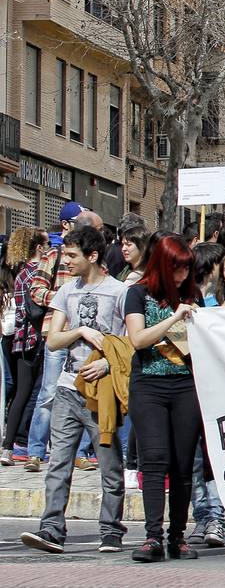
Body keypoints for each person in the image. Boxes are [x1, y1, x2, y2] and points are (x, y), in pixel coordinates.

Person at [20, 226, 129, 555]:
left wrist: (109, 364)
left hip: (102, 392)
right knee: (58, 463)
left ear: (92, 256)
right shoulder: (66, 292)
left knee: (110, 465)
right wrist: (79, 329)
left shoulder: (119, 292)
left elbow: (130, 343)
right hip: (68, 388)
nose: (64, 261)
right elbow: (53, 339)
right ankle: (51, 527)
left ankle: (111, 529)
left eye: (71, 255)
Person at [123, 235, 203, 564]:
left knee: (183, 464)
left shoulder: (192, 295)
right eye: (177, 269)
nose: (182, 276)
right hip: (148, 385)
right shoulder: (138, 293)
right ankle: (152, 536)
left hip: (185, 385)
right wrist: (174, 318)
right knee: (154, 460)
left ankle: (178, 536)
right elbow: (139, 339)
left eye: (187, 269)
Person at [1, 229, 54, 466]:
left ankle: (7, 447)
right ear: (40, 248)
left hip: (21, 339)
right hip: (38, 337)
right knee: (37, 394)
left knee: (21, 394)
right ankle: (27, 443)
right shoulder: (39, 272)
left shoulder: (21, 272)